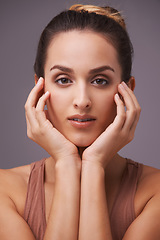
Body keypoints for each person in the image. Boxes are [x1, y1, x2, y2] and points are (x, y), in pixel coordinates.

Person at [0, 3, 160, 240]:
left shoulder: (154, 192)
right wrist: (66, 162)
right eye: (64, 79)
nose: (82, 101)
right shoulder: (5, 191)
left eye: (100, 80)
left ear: (128, 90)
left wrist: (93, 165)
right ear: (39, 87)